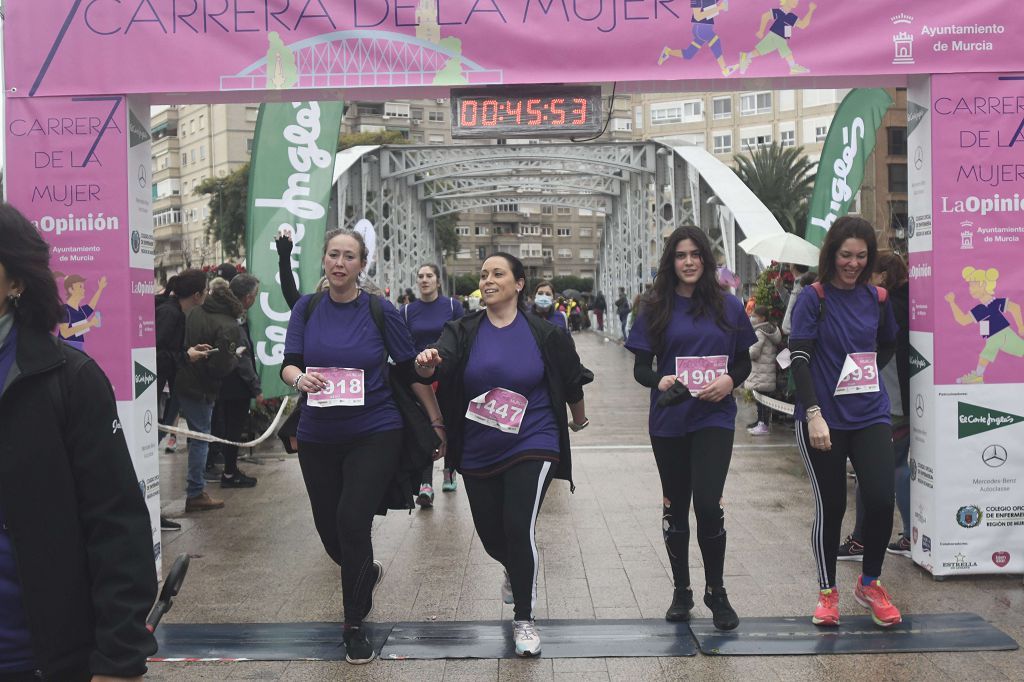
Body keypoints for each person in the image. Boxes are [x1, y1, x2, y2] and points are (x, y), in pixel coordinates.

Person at [0, 203, 157, 680]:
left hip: (35, 656)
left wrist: (117, 659)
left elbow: (116, 523)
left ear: (16, 282)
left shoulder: (69, 379)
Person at [414, 252, 591, 658]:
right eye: (484, 275)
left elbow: (571, 381)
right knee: (493, 535)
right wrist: (428, 364)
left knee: (518, 525)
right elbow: (436, 367)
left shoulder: (545, 333)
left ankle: (524, 618)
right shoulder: (462, 330)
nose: (489, 280)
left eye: (498, 274)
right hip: (478, 442)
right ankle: (515, 567)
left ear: (519, 283)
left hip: (534, 437)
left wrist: (577, 421)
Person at [281, 229, 430, 665]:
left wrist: (433, 401)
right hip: (318, 435)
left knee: (351, 521)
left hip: (375, 430)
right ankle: (366, 573)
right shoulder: (307, 309)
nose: (340, 263)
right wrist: (297, 378)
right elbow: (288, 362)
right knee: (332, 535)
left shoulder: (380, 310)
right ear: (324, 262)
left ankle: (353, 624)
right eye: (333, 255)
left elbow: (408, 367)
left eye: (349, 256)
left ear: (361, 265)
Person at [626, 225, 754, 631]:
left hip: (714, 417)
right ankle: (681, 589)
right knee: (675, 505)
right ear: (671, 261)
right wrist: (658, 381)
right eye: (680, 255)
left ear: (706, 258)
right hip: (670, 418)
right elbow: (641, 368)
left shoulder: (728, 307)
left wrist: (731, 382)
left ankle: (716, 591)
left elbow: (744, 363)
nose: (688, 262)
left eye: (695, 254)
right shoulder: (653, 306)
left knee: (708, 505)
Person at [789, 216, 902, 628]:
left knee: (879, 498)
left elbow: (887, 342)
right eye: (845, 255)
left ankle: (869, 583)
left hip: (870, 412)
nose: (852, 264)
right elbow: (799, 358)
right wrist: (814, 413)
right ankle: (827, 592)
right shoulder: (812, 297)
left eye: (860, 256)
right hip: (824, 418)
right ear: (831, 254)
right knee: (832, 505)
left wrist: (864, 372)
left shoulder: (878, 298)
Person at [837, 251, 912, 560]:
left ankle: (861, 540)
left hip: (887, 399)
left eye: (870, 270)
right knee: (898, 468)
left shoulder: (886, 306)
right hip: (905, 399)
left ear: (882, 276)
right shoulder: (911, 302)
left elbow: (878, 348)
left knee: (877, 471)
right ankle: (910, 535)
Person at [175, 277, 247, 512]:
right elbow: (220, 366)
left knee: (169, 429)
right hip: (201, 386)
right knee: (201, 437)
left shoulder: (195, 312)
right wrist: (236, 356)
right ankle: (196, 492)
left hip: (180, 378)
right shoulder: (229, 325)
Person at [155, 268, 212, 530]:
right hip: (157, 387)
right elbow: (156, 353)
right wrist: (186, 357)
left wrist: (186, 351)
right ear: (197, 294)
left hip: (163, 386)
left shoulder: (172, 311)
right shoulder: (171, 313)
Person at [402, 263, 463, 504]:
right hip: (419, 377)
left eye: (429, 276)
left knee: (449, 419)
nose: (424, 280)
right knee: (425, 424)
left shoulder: (452, 306)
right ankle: (425, 482)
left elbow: (461, 339)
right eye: (420, 276)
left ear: (438, 281)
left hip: (448, 374)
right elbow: (401, 343)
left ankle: (450, 469)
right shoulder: (407, 311)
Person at [211, 274, 263, 489]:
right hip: (236, 384)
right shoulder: (235, 319)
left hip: (221, 380)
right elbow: (242, 358)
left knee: (225, 427)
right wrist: (255, 387)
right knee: (233, 429)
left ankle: (229, 469)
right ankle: (230, 473)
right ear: (248, 297)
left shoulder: (219, 311)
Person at [744, 305, 782, 435]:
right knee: (763, 399)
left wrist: (745, 351)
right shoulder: (771, 330)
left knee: (761, 400)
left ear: (763, 318)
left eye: (755, 316)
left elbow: (754, 353)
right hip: (767, 370)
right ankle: (761, 421)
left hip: (761, 371)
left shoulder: (760, 332)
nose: (752, 318)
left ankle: (763, 425)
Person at [54, 271, 107, 351]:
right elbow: (65, 333)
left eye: (83, 287)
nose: (83, 290)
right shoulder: (65, 310)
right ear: (71, 290)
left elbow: (91, 306)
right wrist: (90, 323)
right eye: (80, 287)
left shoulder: (80, 311)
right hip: (66, 349)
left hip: (78, 349)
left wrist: (100, 289)